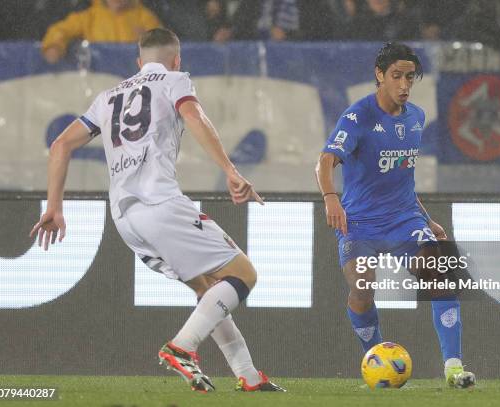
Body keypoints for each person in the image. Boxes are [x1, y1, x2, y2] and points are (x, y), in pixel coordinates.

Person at [30, 28, 285, 393]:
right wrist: (230, 170)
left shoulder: (106, 97)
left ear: (138, 62)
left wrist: (55, 206)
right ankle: (182, 347)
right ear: (176, 59)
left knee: (207, 289)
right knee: (243, 274)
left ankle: (248, 375)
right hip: (160, 202)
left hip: (124, 218)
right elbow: (193, 116)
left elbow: (59, 145)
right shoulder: (174, 80)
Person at [315, 42, 476, 388]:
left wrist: (427, 219)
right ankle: (375, 360)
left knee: (441, 272)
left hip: (405, 218)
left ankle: (454, 367)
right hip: (359, 222)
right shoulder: (358, 117)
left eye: (410, 77)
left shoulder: (416, 117)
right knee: (362, 287)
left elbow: (401, 176)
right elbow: (325, 161)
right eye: (396, 76)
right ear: (379, 76)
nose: (404, 85)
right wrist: (331, 197)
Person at [41, 0, 161, 64]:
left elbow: (165, 42)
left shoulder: (144, 17)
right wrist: (54, 45)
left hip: (133, 82)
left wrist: (149, 40)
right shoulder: (90, 17)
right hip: (99, 83)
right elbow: (61, 30)